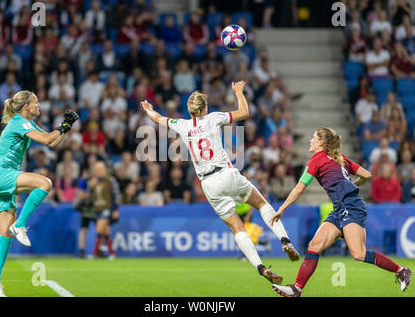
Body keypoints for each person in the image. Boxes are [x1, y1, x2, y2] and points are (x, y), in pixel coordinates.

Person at [140, 81, 300, 286]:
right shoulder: (213, 118)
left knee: (236, 227)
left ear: (189, 110)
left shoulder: (182, 125)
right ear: (205, 108)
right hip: (226, 173)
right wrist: (239, 92)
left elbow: (159, 119)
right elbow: (244, 112)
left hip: (208, 184)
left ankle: (260, 266)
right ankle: (285, 240)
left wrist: (148, 109)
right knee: (261, 204)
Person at [270, 127, 412, 297]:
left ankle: (401, 270)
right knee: (314, 246)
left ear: (321, 142)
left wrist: (281, 209)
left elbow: (299, 189)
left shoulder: (316, 159)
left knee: (358, 254)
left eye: (313, 138)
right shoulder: (340, 158)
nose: (310, 141)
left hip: (350, 206)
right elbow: (366, 174)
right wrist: (352, 184)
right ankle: (297, 289)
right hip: (340, 207)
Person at [0, 90, 79, 297]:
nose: (39, 105)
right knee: (44, 183)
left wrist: (66, 127)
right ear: (26, 105)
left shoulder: (27, 124)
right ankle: (20, 225)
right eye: (36, 102)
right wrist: (62, 127)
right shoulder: (19, 122)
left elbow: (53, 142)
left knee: (4, 233)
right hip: (1, 173)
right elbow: (46, 139)